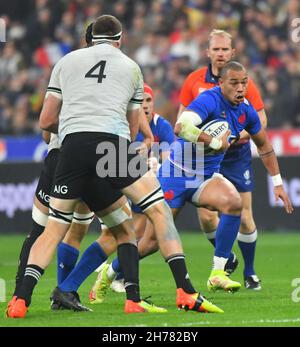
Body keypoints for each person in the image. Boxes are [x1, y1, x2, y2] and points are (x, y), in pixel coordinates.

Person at [7, 15, 223, 318]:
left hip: (70, 148)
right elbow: (133, 127)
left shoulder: (66, 62)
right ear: (119, 40)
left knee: (55, 228)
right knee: (156, 211)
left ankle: (20, 300)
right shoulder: (131, 67)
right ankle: (184, 291)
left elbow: (45, 123)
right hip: (111, 145)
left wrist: (75, 124)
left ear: (90, 38)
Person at [95, 61, 293, 301]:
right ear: (221, 84)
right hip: (175, 175)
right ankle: (110, 271)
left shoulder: (247, 111)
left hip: (205, 177)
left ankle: (218, 272)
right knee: (150, 243)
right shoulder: (208, 100)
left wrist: (278, 183)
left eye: (244, 82)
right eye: (234, 83)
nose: (241, 88)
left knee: (233, 203)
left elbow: (264, 146)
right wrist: (212, 140)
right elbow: (181, 127)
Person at [178, 29, 268, 290]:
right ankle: (226, 257)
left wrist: (237, 134)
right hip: (204, 157)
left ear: (232, 52)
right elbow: (182, 117)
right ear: (208, 52)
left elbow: (260, 119)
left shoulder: (241, 80)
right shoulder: (194, 81)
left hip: (235, 155)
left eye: (224, 49)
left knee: (245, 215)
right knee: (206, 218)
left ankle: (250, 273)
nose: (220, 54)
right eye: (215, 49)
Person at [88, 82, 175, 301]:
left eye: (149, 100)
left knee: (146, 241)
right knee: (126, 236)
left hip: (150, 185)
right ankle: (110, 276)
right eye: (141, 100)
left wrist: (160, 165)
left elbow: (171, 156)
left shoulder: (161, 125)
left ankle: (111, 273)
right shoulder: (126, 125)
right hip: (123, 185)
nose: (145, 105)